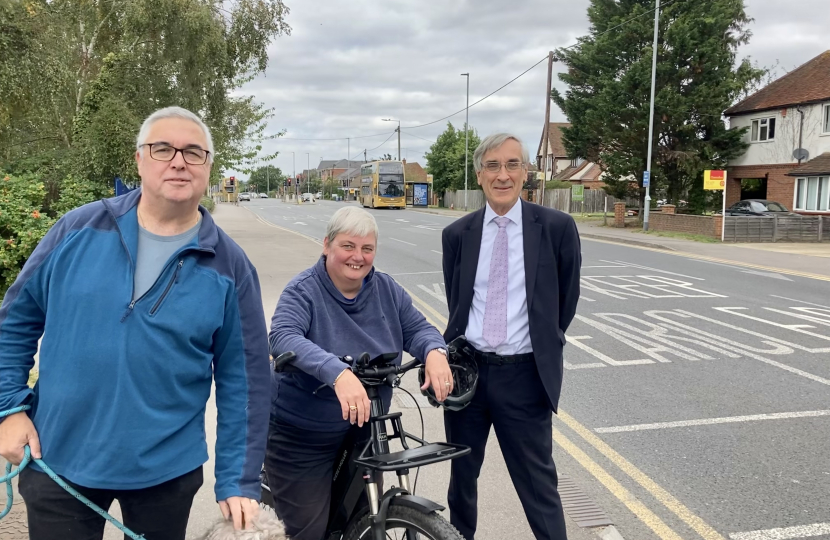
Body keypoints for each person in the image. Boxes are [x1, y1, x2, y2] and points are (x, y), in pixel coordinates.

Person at [0, 106, 270, 539]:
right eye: (162, 148)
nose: (178, 160)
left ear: (208, 167)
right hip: (58, 456)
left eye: (194, 152)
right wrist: (9, 408)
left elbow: (248, 379)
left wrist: (238, 479)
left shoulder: (230, 268)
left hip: (166, 472)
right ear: (139, 159)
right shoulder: (77, 230)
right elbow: (14, 323)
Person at [266, 206, 453, 540]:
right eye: (348, 246)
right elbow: (283, 336)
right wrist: (338, 373)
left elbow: (418, 329)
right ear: (327, 245)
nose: (358, 257)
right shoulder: (303, 291)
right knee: (309, 530)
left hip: (367, 428)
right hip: (303, 434)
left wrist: (436, 352)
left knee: (364, 519)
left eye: (367, 249)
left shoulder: (386, 289)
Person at [441, 133, 581, 540]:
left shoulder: (556, 228)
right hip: (469, 377)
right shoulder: (457, 235)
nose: (503, 175)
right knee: (461, 484)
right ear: (480, 175)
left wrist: (541, 343)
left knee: (539, 488)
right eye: (493, 166)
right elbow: (457, 302)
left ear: (525, 173)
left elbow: (564, 302)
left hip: (524, 378)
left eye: (512, 165)